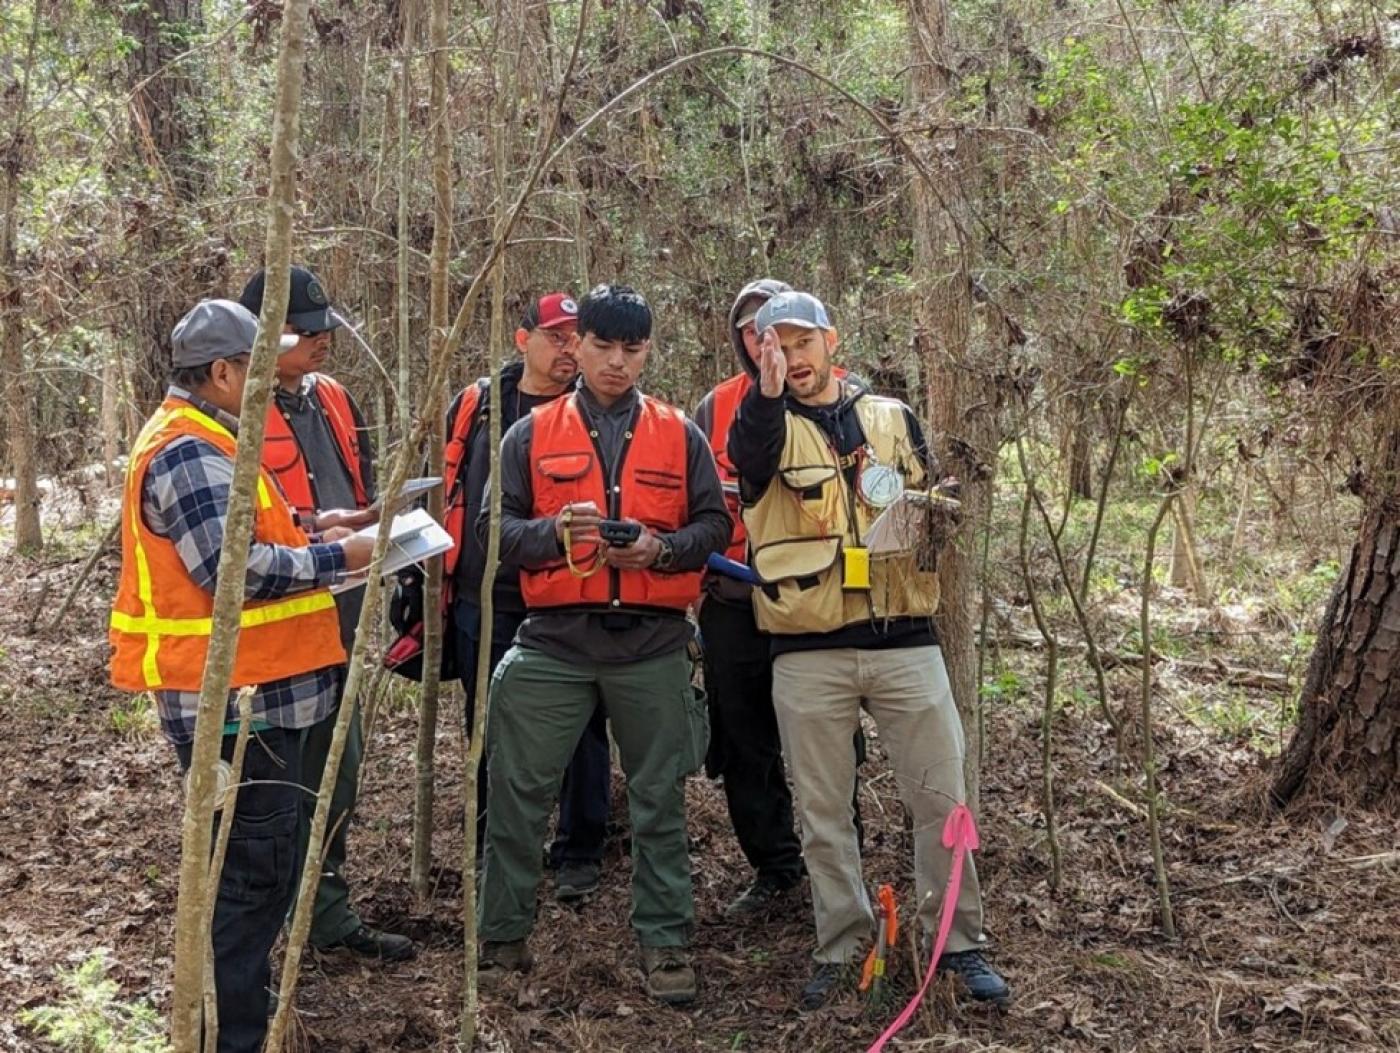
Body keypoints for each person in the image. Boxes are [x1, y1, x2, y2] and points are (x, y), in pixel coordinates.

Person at [727, 290, 1010, 1010]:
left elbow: (934, 494)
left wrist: (935, 505)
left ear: (830, 340)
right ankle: (843, 946)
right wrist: (763, 394)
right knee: (823, 812)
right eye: (772, 345)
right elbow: (750, 460)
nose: (789, 357)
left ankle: (956, 943)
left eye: (799, 341)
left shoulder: (890, 417)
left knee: (943, 798)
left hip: (905, 642)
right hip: (806, 650)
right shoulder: (758, 424)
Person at [108, 299, 375, 1053]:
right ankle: (228, 1038)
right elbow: (237, 571)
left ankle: (240, 1024)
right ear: (222, 372)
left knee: (267, 863)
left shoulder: (218, 437)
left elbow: (259, 534)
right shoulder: (188, 450)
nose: (269, 378)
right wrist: (340, 561)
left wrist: (329, 528)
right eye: (256, 365)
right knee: (250, 876)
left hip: (267, 695)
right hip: (232, 705)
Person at [475, 284, 730, 1004]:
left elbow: (714, 527)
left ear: (648, 349)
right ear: (575, 344)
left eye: (633, 348)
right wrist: (557, 534)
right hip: (554, 643)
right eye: (603, 345)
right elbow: (495, 536)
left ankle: (666, 945)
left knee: (659, 801)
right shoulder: (527, 434)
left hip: (651, 644)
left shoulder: (680, 433)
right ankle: (501, 941)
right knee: (518, 795)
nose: (617, 362)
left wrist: (663, 549)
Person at [238, 265, 414, 961]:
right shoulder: (236, 415)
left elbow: (355, 484)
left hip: (340, 610)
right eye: (302, 331)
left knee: (339, 767)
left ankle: (326, 909)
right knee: (277, 782)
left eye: (323, 330)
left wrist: (374, 522)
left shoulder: (334, 398)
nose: (319, 342)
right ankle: (268, 928)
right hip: (273, 629)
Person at [439, 292, 610, 899]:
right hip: (486, 596)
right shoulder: (479, 405)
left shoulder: (596, 408)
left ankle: (580, 849)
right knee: (487, 723)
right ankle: (497, 844)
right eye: (556, 336)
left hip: (569, 593)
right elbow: (453, 487)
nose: (568, 349)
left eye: (575, 338)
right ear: (522, 338)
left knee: (584, 723)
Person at [692, 279, 806, 916]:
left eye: (775, 324)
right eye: (750, 327)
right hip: (732, 599)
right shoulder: (713, 407)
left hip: (816, 606)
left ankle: (831, 854)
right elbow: (693, 503)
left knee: (827, 739)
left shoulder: (839, 392)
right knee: (743, 741)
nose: (763, 338)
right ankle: (775, 866)